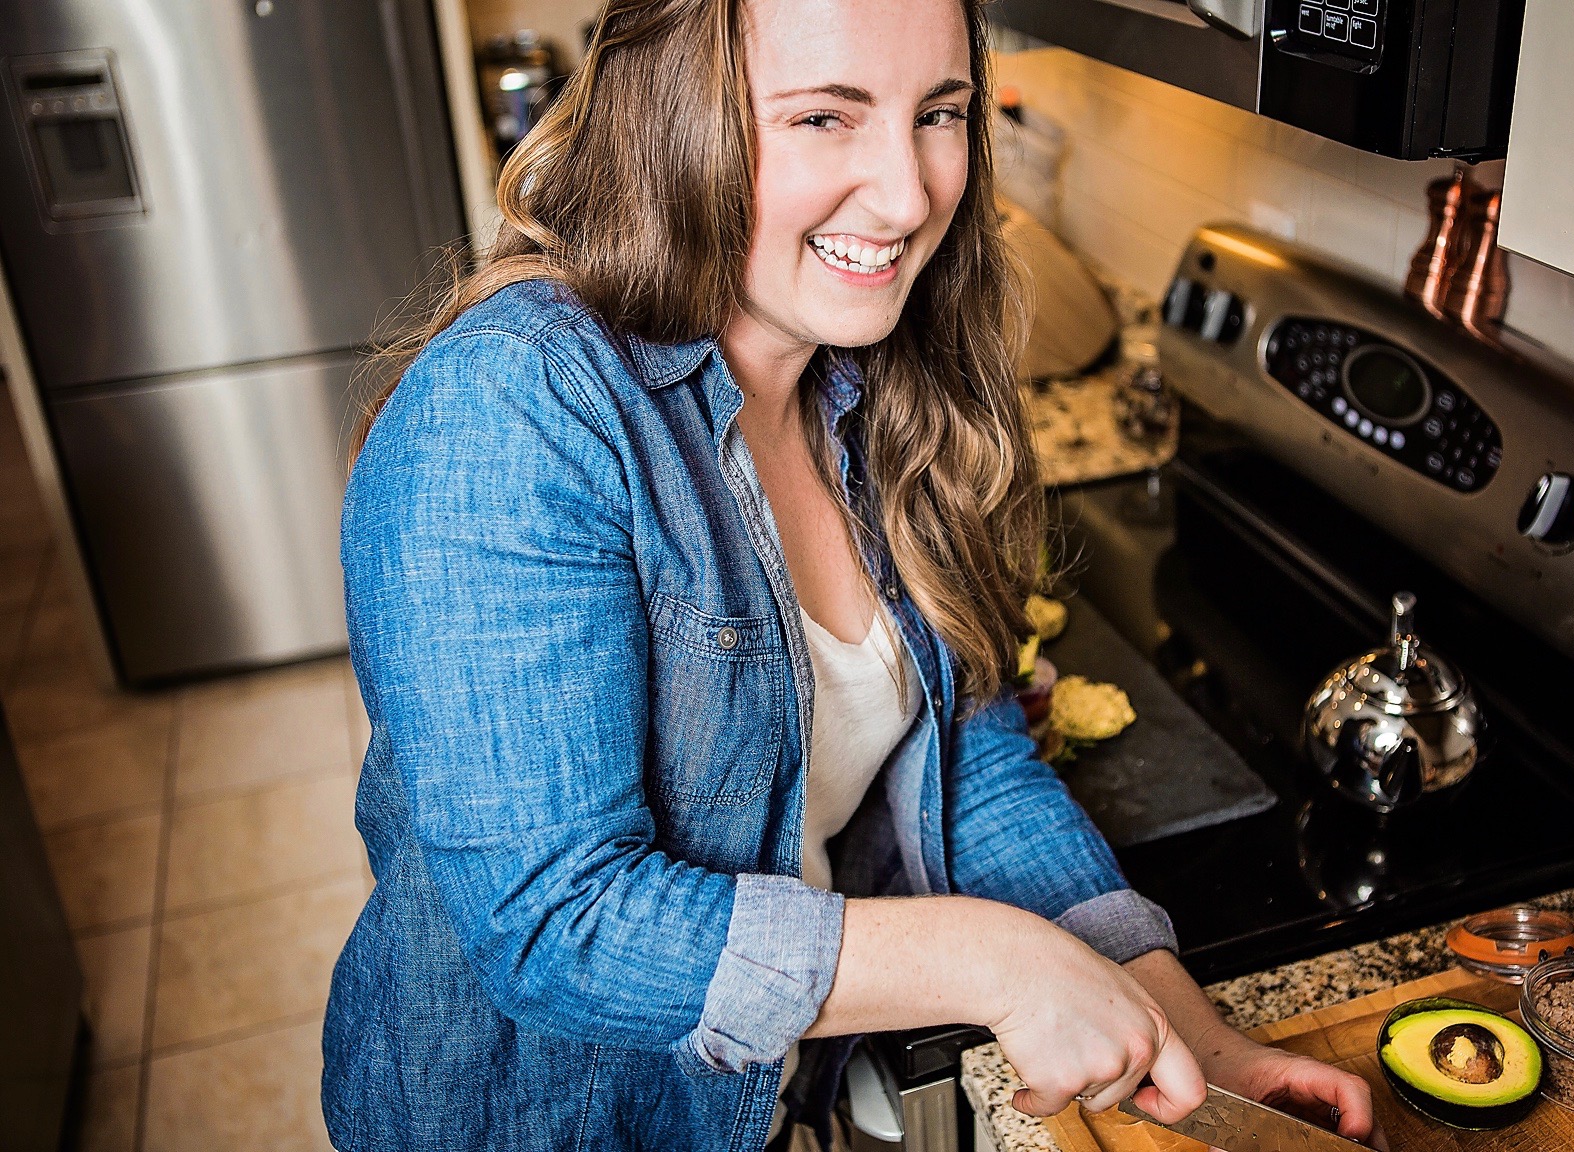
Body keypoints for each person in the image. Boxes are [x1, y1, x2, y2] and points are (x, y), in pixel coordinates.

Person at [322, 0, 1391, 1149]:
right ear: (673, 120)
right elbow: (555, 925)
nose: (907, 195)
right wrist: (993, 962)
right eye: (825, 117)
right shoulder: (514, 409)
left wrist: (1187, 1035)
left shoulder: (876, 382)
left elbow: (966, 752)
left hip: (773, 1099)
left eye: (940, 113)